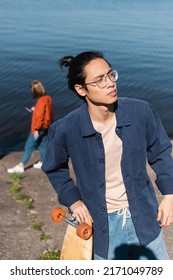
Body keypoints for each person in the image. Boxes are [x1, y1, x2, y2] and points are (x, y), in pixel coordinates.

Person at [42, 51, 173, 260]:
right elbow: (54, 167)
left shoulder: (141, 112)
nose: (110, 83)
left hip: (145, 219)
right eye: (99, 80)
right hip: (102, 227)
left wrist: (170, 194)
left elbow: (161, 151)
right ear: (81, 89)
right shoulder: (66, 129)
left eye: (110, 75)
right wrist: (74, 201)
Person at [8, 80, 54, 173]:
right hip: (46, 127)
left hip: (39, 128)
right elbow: (47, 113)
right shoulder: (48, 98)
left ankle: (21, 166)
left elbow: (40, 117)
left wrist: (36, 130)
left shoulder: (41, 101)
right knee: (43, 144)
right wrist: (35, 109)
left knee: (29, 146)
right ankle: (42, 162)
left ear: (35, 91)